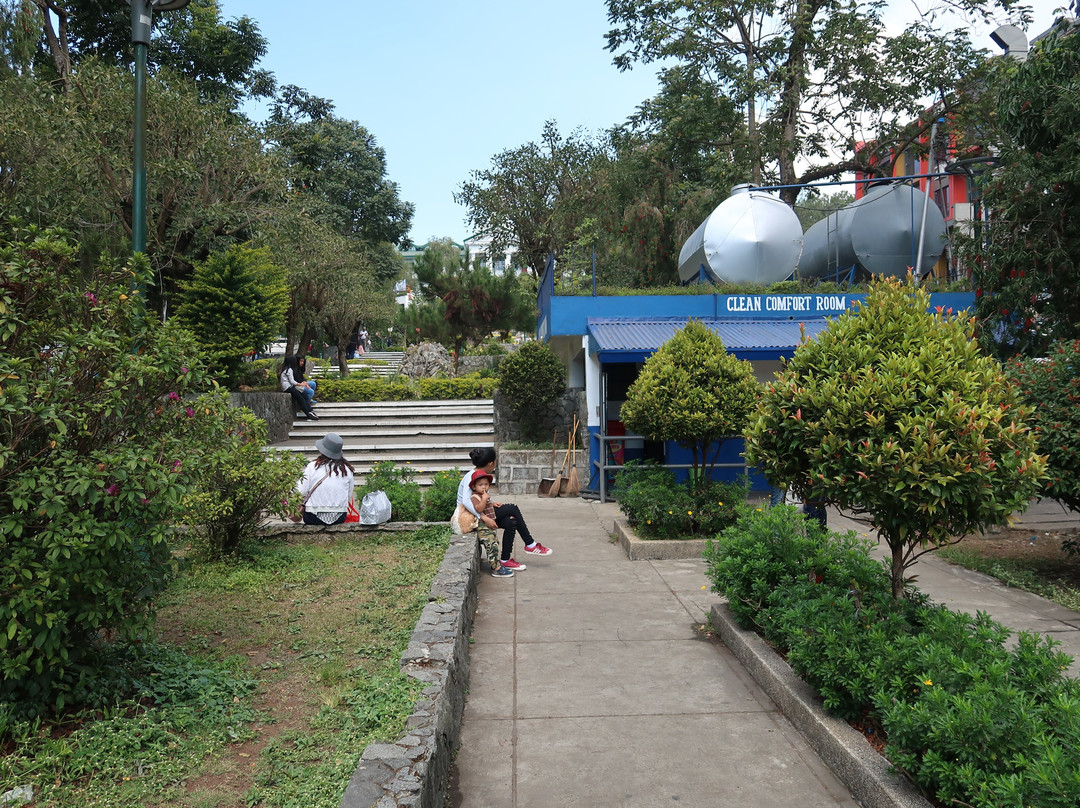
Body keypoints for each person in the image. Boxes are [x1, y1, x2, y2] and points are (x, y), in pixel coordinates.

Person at [457, 447, 552, 575]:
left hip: (478, 512)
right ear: (491, 463)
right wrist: (484, 518)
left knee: (511, 522)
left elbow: (478, 497)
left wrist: (491, 503)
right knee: (512, 508)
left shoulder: (480, 475)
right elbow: (466, 502)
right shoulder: (471, 477)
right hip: (471, 517)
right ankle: (530, 544)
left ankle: (505, 559)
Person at [297, 433, 354, 525]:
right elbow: (348, 495)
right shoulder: (347, 470)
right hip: (339, 517)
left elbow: (301, 491)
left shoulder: (312, 467)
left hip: (313, 516)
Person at [468, 469, 506, 577]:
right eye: (480, 485)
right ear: (474, 487)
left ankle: (496, 563)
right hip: (482, 526)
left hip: (488, 525)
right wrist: (484, 499)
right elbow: (479, 509)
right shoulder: (475, 497)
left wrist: (493, 504)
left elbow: (486, 506)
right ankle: (496, 568)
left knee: (494, 543)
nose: (484, 487)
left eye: (486, 484)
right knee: (490, 545)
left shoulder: (484, 495)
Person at [279, 355, 318, 420]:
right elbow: (292, 381)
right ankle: (308, 413)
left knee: (303, 397)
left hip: (289, 387)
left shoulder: (286, 369)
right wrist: (300, 384)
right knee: (301, 399)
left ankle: (310, 411)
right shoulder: (289, 370)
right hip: (288, 388)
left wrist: (303, 383)